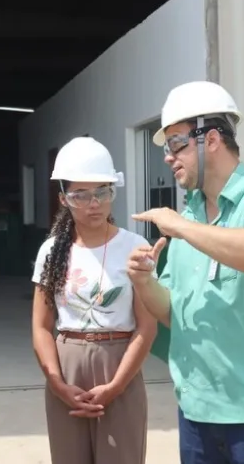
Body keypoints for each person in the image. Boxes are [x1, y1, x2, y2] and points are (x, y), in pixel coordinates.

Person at [127, 80, 244, 464]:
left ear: (210, 140)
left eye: (175, 143)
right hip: (197, 412)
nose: (167, 157)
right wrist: (145, 281)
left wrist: (181, 228)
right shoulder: (190, 215)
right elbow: (171, 314)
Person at [31, 137, 157, 464]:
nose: (94, 204)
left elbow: (146, 327)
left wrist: (116, 386)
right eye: (81, 195)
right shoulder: (51, 251)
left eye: (103, 192)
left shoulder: (134, 245)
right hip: (67, 369)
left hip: (120, 365)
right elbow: (42, 327)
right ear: (63, 199)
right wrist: (57, 383)